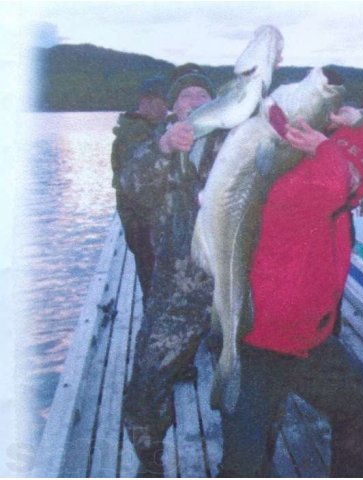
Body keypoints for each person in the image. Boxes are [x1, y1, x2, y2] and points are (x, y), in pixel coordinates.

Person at [218, 103, 363, 477]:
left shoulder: (312, 159)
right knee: (243, 463)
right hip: (258, 341)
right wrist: (326, 148)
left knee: (360, 401)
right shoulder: (272, 181)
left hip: (307, 340)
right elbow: (334, 185)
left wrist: (359, 125)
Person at [120, 63, 228, 477]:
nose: (196, 101)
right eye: (186, 97)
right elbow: (131, 185)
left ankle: (246, 458)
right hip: (177, 293)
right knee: (149, 379)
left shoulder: (235, 144)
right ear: (173, 109)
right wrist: (165, 147)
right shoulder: (157, 145)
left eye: (204, 96)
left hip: (230, 289)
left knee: (250, 374)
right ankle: (150, 460)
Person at [111, 76, 168, 308]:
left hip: (141, 223)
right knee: (153, 290)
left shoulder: (142, 127)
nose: (167, 108)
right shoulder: (135, 134)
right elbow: (137, 186)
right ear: (146, 101)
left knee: (153, 283)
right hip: (142, 226)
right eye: (162, 102)